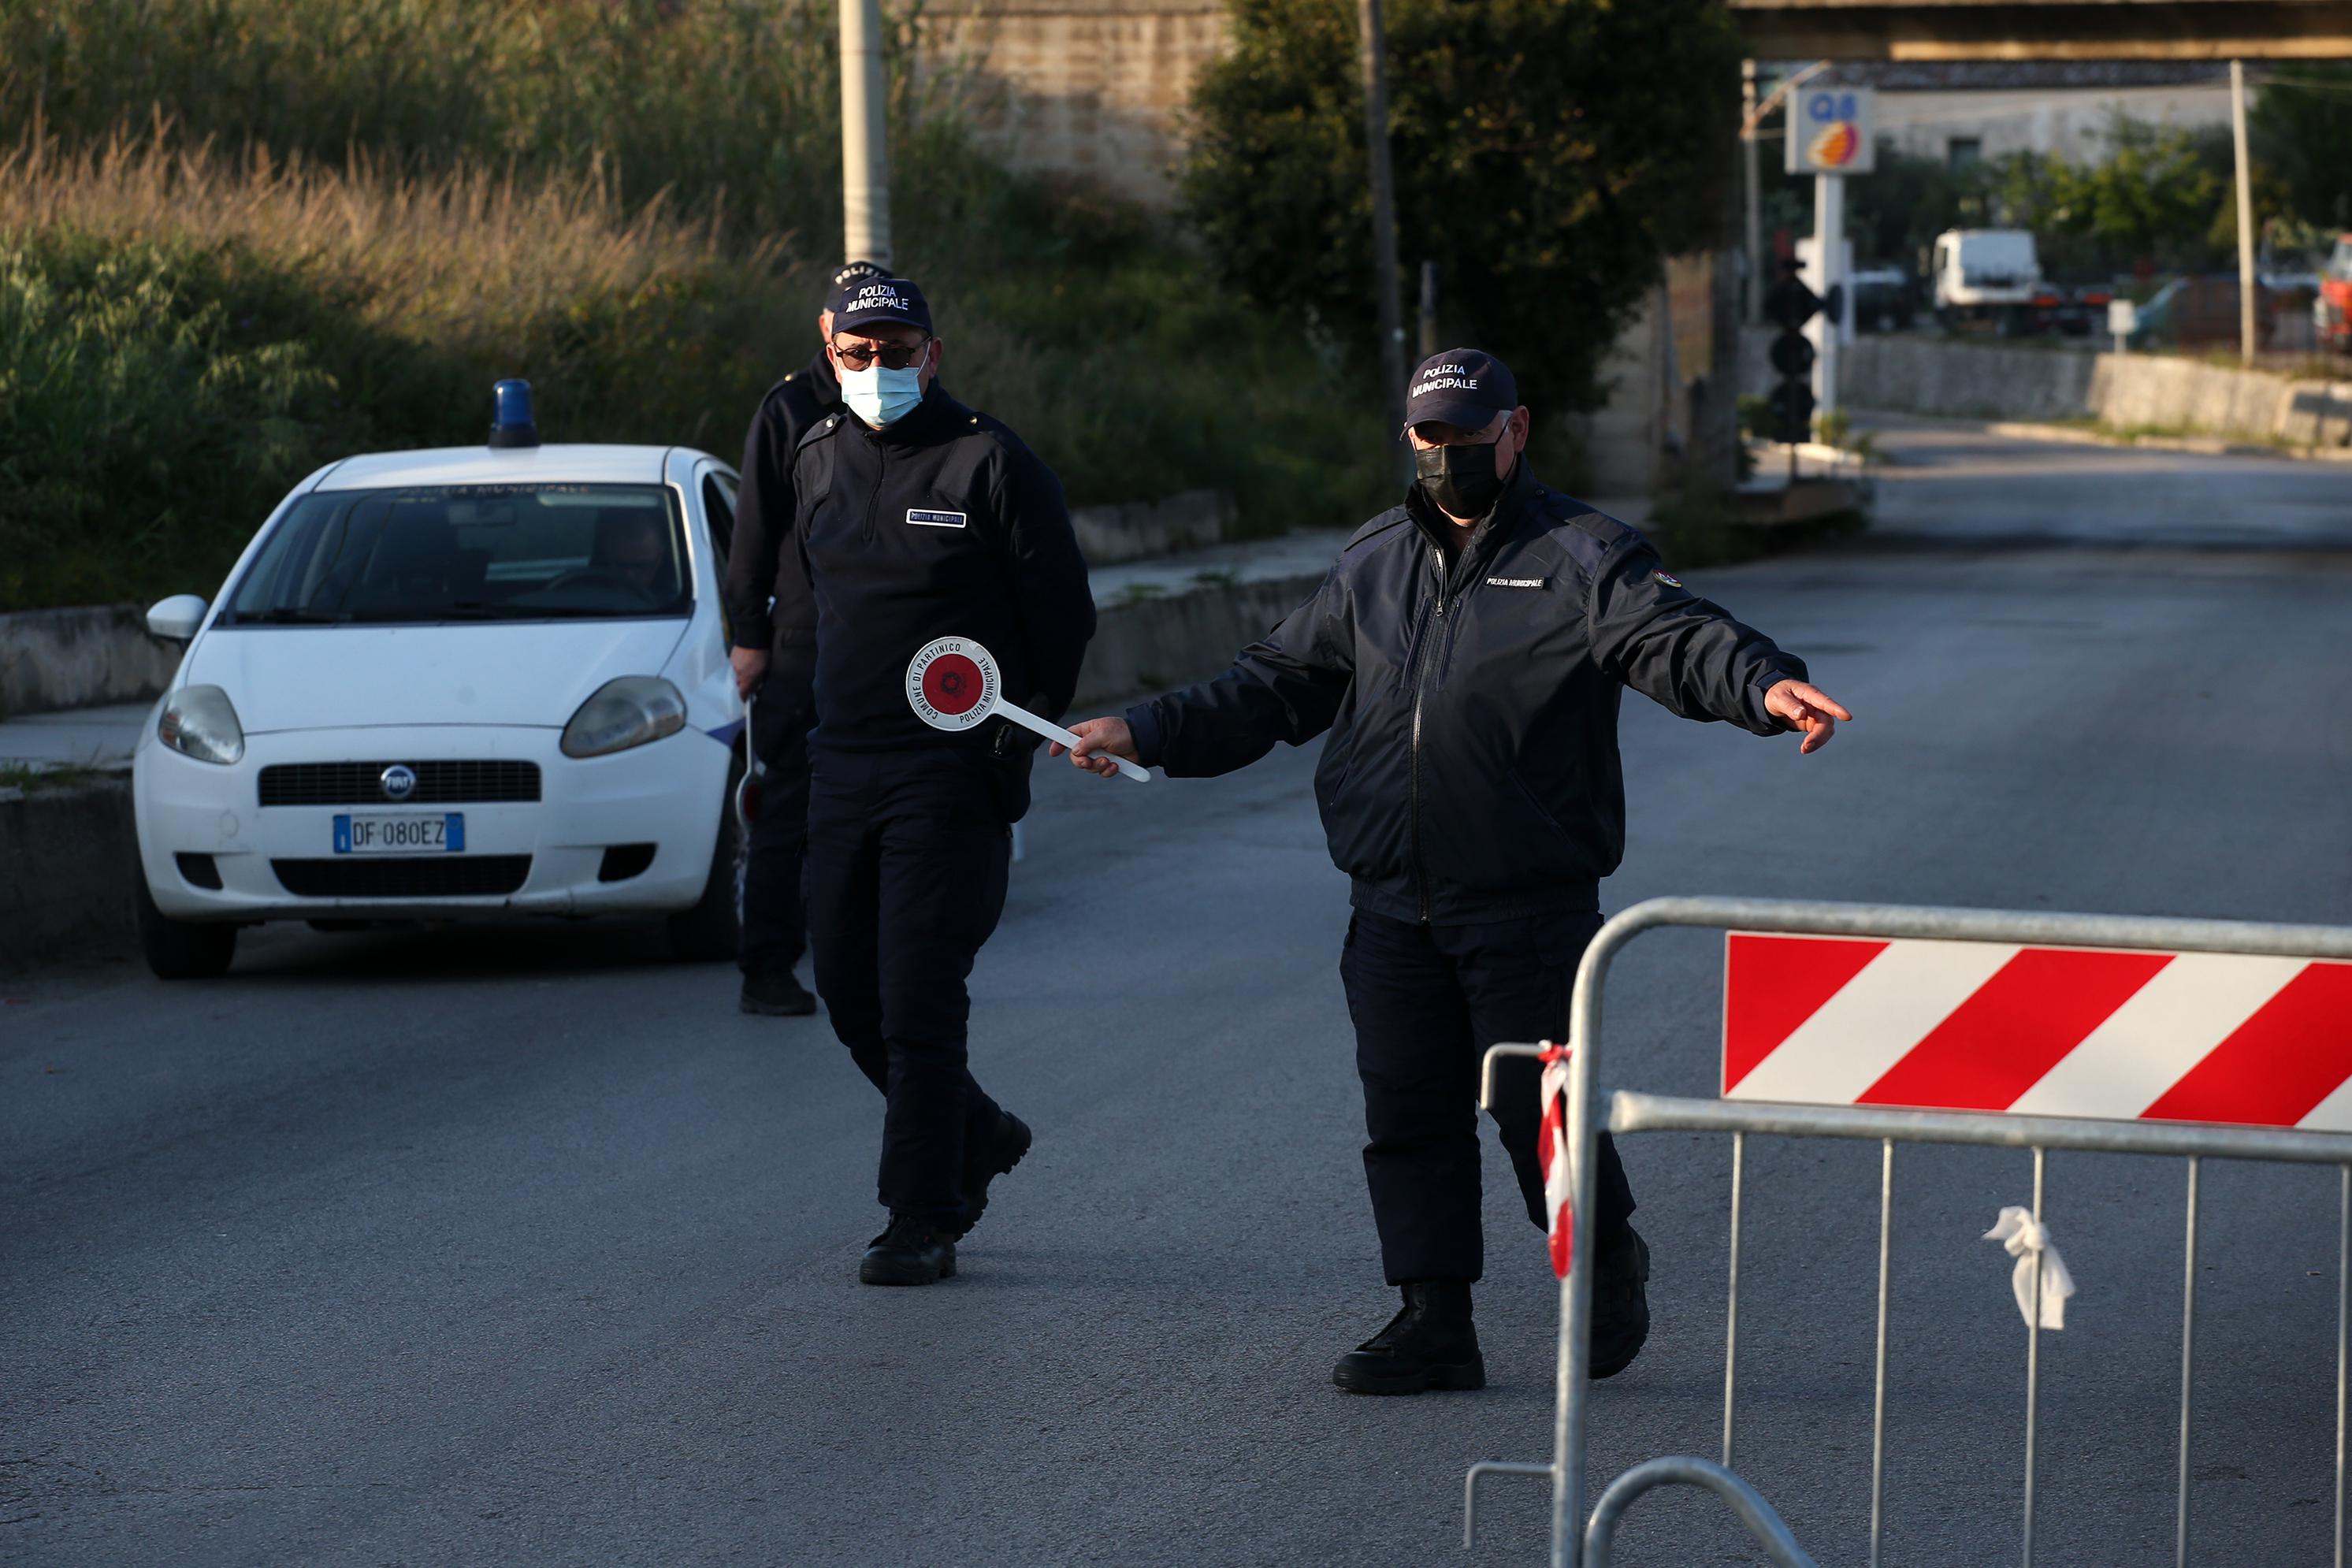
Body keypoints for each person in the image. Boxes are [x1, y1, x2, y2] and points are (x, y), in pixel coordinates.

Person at [1057, 348, 1851, 1392]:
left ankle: (1608, 1253)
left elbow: (1676, 635)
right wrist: (1145, 727)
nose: (1447, 455)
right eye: (1429, 437)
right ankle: (1433, 1316)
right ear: (1408, 436)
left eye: (1469, 436)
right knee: (1408, 1111)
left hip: (1525, 902)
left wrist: (1763, 685)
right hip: (1391, 898)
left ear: (1516, 431)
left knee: (1534, 1111)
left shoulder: (1581, 553)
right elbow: (1277, 684)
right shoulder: (1373, 560)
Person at [777, 273, 1096, 1285]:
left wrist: (1013, 736)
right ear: (831, 354)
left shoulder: (990, 460)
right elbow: (803, 614)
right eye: (859, 353)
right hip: (840, 766)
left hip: (947, 772)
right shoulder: (814, 457)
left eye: (898, 349)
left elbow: (1064, 613)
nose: (879, 368)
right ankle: (979, 1128)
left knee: (918, 1000)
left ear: (934, 352)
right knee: (846, 991)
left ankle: (922, 1216)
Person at [726, 258, 893, 1017]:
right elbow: (753, 535)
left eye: (881, 335)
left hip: (893, 643)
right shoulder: (789, 411)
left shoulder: (912, 401)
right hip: (805, 639)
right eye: (849, 331)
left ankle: (882, 959)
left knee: (893, 807)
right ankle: (767, 968)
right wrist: (749, 637)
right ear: (825, 331)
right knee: (788, 810)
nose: (868, 350)